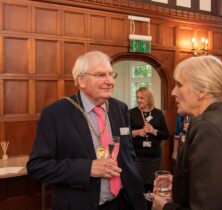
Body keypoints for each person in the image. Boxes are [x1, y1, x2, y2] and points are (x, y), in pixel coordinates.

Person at [27, 51, 147, 210]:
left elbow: (128, 153)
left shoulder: (120, 108)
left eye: (111, 74)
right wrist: (88, 168)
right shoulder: (55, 114)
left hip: (123, 201)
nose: (110, 81)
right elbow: (37, 167)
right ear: (81, 80)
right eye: (100, 75)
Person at [151, 55, 222, 210]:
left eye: (179, 85)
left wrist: (165, 207)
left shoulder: (208, 128)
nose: (173, 92)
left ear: (201, 91)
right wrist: (179, 182)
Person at [130, 87, 169, 209]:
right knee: (137, 184)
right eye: (137, 97)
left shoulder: (158, 114)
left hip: (154, 157)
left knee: (151, 185)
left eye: (142, 97)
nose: (139, 100)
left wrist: (154, 131)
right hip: (137, 156)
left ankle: (149, 206)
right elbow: (124, 133)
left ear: (149, 98)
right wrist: (137, 132)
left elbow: (166, 134)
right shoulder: (131, 113)